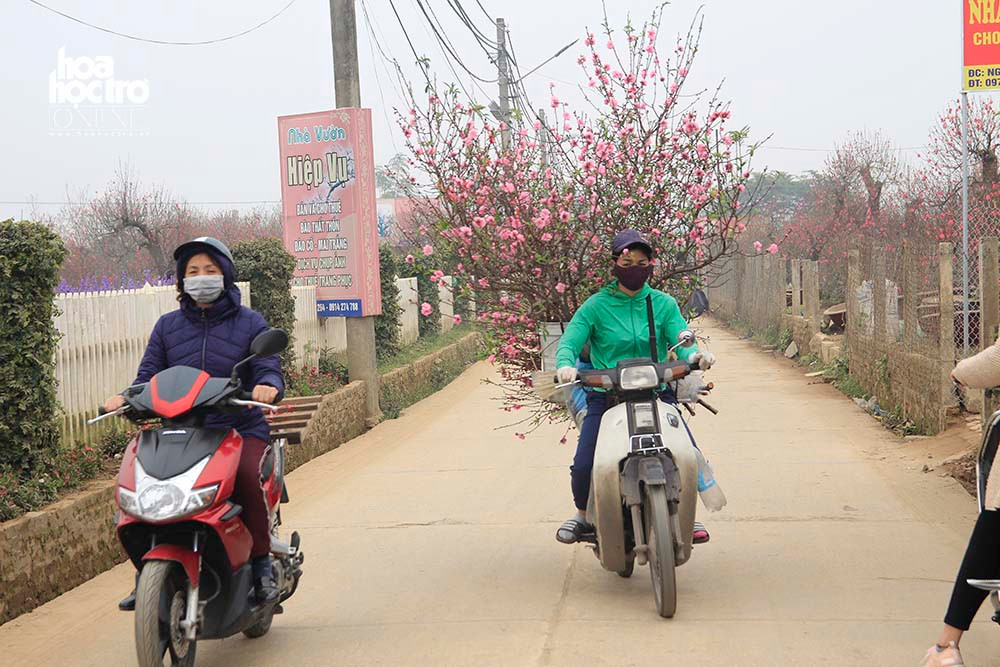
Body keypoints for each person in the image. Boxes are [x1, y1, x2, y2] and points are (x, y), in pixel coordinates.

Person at [107, 237, 285, 609]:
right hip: (183, 429)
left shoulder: (250, 322)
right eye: (192, 272)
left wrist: (267, 386)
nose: (201, 278)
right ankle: (148, 571)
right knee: (142, 488)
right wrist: (127, 397)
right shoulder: (167, 327)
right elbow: (148, 376)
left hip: (239, 426)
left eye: (210, 270)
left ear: (225, 275)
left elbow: (267, 367)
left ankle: (260, 565)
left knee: (246, 480)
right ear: (181, 280)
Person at [553, 229, 715, 544]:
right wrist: (564, 365)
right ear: (615, 264)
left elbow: (681, 336)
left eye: (642, 262)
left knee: (686, 453)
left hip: (657, 392)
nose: (635, 268)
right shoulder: (596, 306)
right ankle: (583, 516)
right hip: (607, 396)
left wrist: (694, 355)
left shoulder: (662, 303)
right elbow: (570, 340)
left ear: (651, 265)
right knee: (587, 461)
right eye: (627, 262)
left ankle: (684, 515)